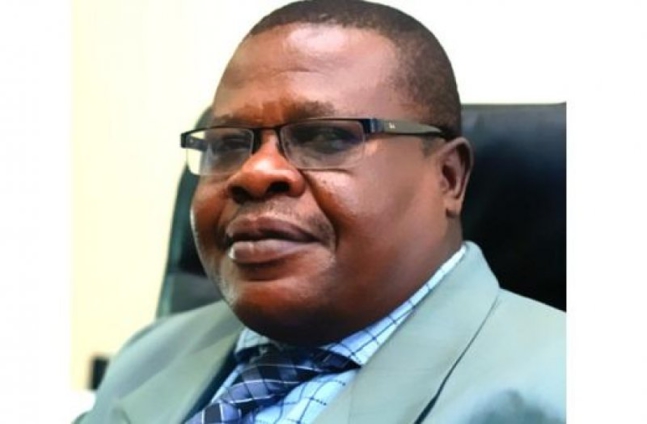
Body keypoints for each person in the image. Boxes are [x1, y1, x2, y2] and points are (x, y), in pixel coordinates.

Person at [78, 1, 565, 423]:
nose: (254, 172)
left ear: (448, 178)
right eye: (227, 145)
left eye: (327, 137)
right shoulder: (149, 355)